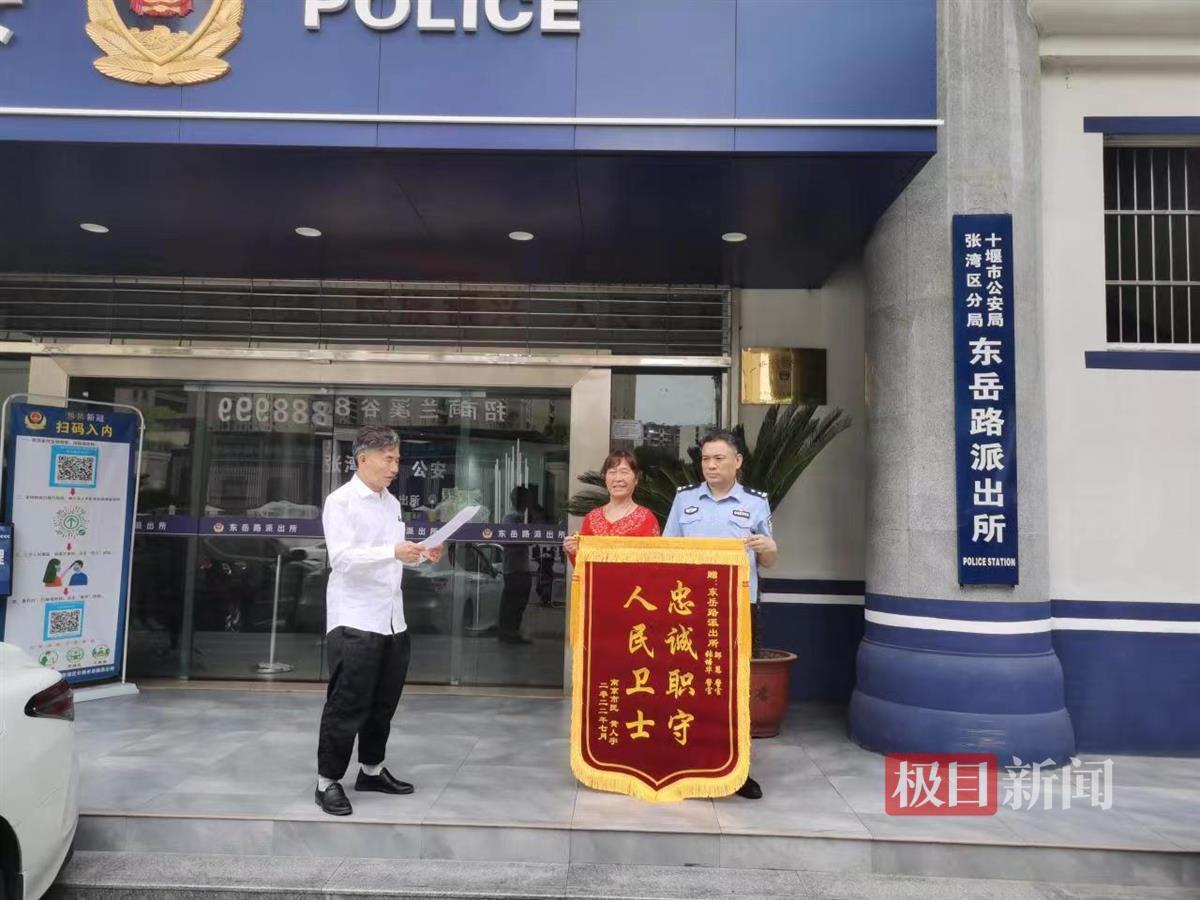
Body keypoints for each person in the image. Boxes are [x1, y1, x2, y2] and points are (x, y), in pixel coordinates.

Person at [314, 425, 442, 817]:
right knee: (347, 703)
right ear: (363, 458)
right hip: (355, 619)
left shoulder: (391, 503)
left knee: (383, 703)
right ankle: (327, 782)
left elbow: (394, 556)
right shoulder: (341, 502)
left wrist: (422, 555)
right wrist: (392, 552)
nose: (394, 467)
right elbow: (342, 558)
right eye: (388, 459)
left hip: (391, 619)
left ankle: (371, 769)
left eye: (397, 460)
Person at [663, 430, 777, 800]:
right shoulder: (684, 499)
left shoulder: (756, 503)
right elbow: (666, 553)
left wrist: (769, 547)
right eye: (705, 459)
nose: (710, 466)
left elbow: (768, 561)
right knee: (688, 684)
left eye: (718, 458)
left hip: (737, 608)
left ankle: (736, 768)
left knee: (734, 687)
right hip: (689, 609)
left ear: (737, 461)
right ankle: (686, 759)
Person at [563, 449, 660, 563]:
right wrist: (574, 551)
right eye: (612, 472)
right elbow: (583, 566)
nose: (618, 478)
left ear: (636, 479)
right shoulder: (592, 518)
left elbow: (656, 563)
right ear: (605, 478)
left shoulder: (646, 519)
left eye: (624, 472)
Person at [498, 486, 535, 644]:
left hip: (520, 566)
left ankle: (512, 632)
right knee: (513, 603)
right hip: (514, 568)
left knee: (517, 603)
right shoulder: (511, 518)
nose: (528, 503)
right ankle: (508, 633)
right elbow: (509, 541)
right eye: (527, 499)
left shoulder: (518, 518)